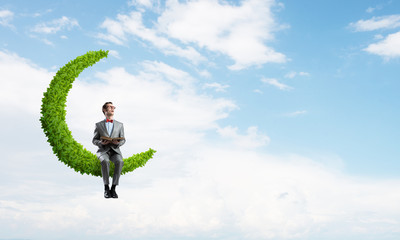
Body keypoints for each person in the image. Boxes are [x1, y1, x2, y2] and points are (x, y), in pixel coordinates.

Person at [92, 102, 125, 198]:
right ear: (104, 110)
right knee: (105, 161)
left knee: (120, 161)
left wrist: (118, 143)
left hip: (115, 150)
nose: (113, 108)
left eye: (113, 107)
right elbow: (94, 140)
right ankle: (106, 187)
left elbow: (123, 139)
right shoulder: (98, 125)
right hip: (103, 150)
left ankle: (113, 188)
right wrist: (101, 143)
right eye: (110, 107)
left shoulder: (120, 125)